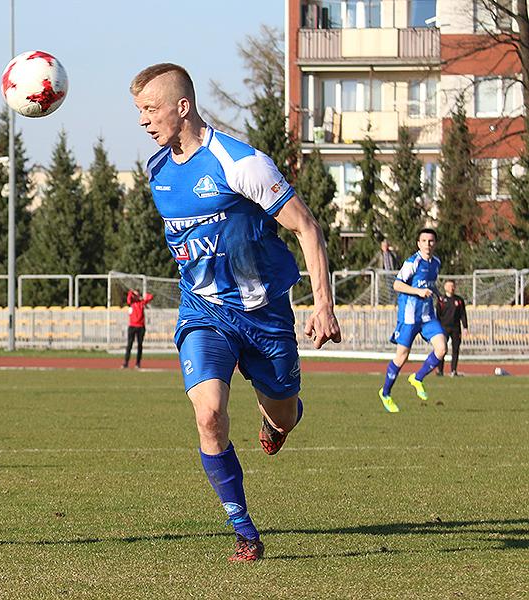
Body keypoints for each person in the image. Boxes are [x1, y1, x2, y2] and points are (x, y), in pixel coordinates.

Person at [130, 63, 341, 562]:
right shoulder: (158, 171)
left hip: (266, 315)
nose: (142, 121)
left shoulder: (241, 163)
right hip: (204, 313)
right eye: (137, 111)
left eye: (150, 109)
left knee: (285, 414)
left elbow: (307, 228)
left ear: (182, 107)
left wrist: (323, 304)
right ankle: (244, 530)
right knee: (209, 415)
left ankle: (277, 421)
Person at [378, 228, 447, 412]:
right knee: (402, 356)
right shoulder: (412, 262)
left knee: (441, 348)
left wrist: (438, 295)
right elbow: (397, 284)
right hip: (409, 316)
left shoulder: (436, 263)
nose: (427, 244)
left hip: (427, 316)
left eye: (431, 241)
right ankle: (385, 393)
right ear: (418, 243)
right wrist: (418, 292)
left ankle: (417, 378)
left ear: (435, 244)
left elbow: (430, 285)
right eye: (424, 241)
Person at [436, 279, 468, 377]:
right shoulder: (441, 300)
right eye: (450, 286)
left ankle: (453, 370)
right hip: (443, 328)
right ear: (445, 287)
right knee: (442, 349)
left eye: (453, 286)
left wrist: (465, 327)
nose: (452, 288)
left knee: (455, 350)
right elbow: (437, 314)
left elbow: (463, 314)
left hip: (455, 328)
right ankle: (440, 370)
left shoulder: (459, 300)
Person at [122, 289, 153, 369]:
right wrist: (132, 293)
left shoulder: (142, 303)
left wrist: (142, 297)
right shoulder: (131, 303)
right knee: (129, 345)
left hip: (141, 327)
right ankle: (126, 362)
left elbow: (150, 296)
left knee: (140, 345)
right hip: (132, 326)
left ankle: (138, 363)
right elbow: (128, 297)